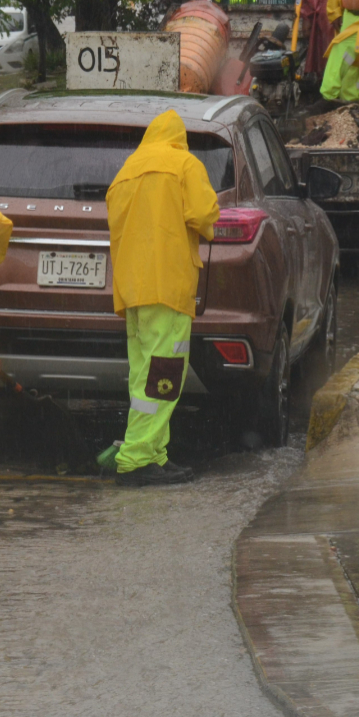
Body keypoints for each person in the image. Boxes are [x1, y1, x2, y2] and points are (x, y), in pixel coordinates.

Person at [106, 110, 220, 487]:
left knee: (145, 376)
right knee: (165, 375)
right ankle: (136, 458)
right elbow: (204, 215)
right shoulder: (183, 164)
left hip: (133, 288)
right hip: (167, 284)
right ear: (178, 138)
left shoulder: (127, 169)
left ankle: (154, 453)